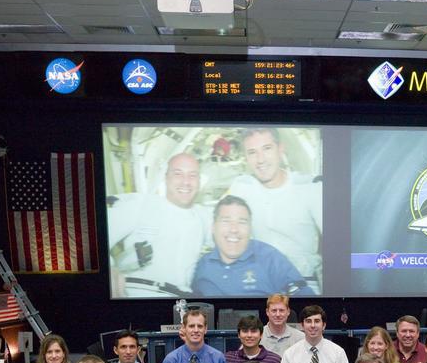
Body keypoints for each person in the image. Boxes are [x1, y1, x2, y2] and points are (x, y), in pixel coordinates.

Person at [226, 127, 323, 282]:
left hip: (303, 280)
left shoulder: (309, 188)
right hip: (259, 281)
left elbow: (339, 242)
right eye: (252, 152)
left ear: (280, 149)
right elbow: (223, 226)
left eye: (267, 149)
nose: (260, 159)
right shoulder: (241, 187)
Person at [107, 151, 209, 295]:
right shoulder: (140, 205)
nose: (186, 181)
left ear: (199, 181)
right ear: (166, 178)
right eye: (178, 173)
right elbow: (90, 234)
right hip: (136, 292)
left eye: (193, 175)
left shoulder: (204, 217)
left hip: (181, 300)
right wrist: (108, 269)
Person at [189, 195, 314, 297]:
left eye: (242, 222)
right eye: (226, 221)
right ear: (213, 228)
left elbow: (307, 303)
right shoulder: (202, 265)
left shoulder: (270, 258)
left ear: (250, 229)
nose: (234, 229)